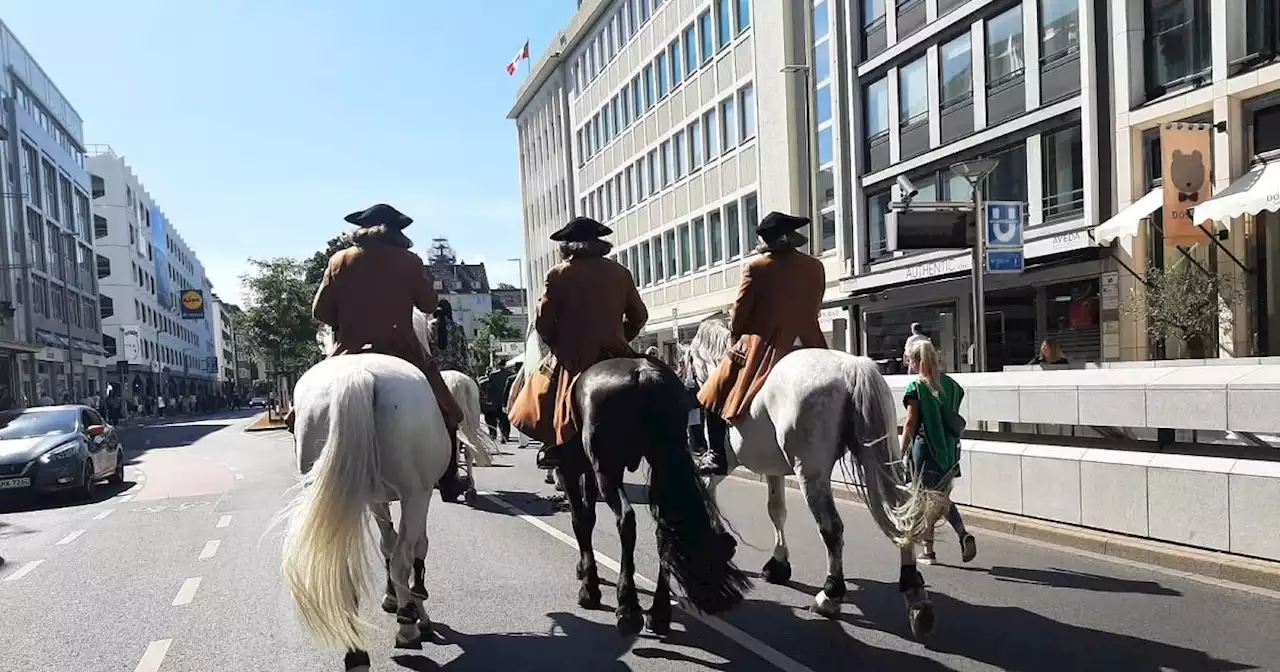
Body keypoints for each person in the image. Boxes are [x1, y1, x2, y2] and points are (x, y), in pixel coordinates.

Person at [310, 203, 469, 502]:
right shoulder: (408, 261)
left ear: (360, 229)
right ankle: (449, 478)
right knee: (450, 411)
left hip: (349, 350)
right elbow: (427, 304)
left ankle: (311, 473)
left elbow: (320, 311)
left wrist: (349, 321)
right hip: (403, 350)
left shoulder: (339, 260)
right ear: (396, 231)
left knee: (302, 408)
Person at [509, 216, 648, 469]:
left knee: (540, 392)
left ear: (567, 245)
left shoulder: (559, 273)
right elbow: (640, 315)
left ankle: (553, 446)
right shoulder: (620, 272)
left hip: (573, 354)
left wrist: (556, 344)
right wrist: (620, 338)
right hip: (616, 351)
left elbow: (543, 322)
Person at [697, 212, 827, 475]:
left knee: (711, 392)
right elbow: (816, 305)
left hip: (765, 347)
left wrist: (738, 335)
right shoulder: (816, 266)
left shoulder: (756, 267)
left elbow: (739, 314)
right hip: (812, 342)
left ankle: (716, 455)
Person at [901, 338, 977, 565]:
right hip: (950, 452)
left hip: (925, 451)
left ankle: (928, 551)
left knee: (924, 499)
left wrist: (900, 450)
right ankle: (962, 533)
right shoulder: (952, 385)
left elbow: (911, 423)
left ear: (916, 361)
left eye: (910, 361)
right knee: (940, 497)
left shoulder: (916, 387)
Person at [430, 299, 471, 373]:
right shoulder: (458, 327)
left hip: (436, 372)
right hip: (457, 369)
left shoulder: (429, 327)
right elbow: (465, 353)